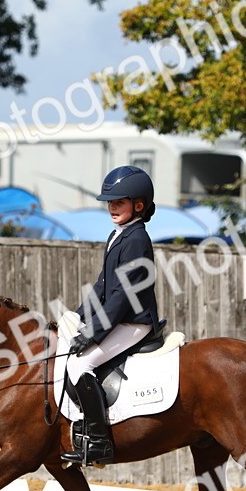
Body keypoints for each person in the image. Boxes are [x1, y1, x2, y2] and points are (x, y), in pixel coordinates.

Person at [60, 165, 161, 465]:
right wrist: (79, 316)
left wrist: (93, 333)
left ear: (138, 205)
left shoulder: (136, 239)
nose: (112, 207)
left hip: (134, 322)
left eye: (119, 202)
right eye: (110, 202)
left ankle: (100, 443)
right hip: (119, 317)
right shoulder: (117, 235)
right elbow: (103, 287)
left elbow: (122, 296)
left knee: (80, 366)